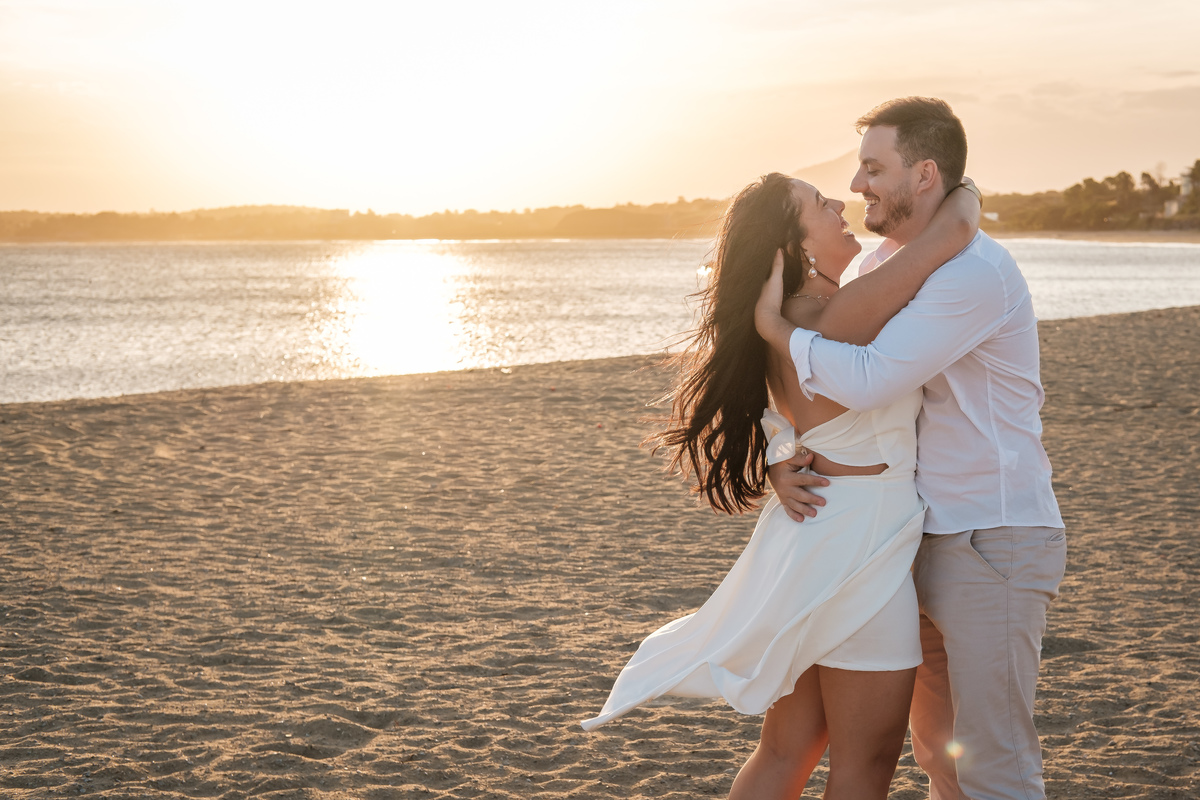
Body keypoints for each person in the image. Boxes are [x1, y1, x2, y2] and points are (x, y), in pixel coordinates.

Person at [582, 166, 982, 800]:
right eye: (821, 204)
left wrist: (778, 451)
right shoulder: (837, 315)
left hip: (819, 535)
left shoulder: (797, 319)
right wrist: (963, 196)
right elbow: (947, 239)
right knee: (866, 762)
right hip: (859, 546)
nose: (839, 204)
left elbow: (784, 409)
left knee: (787, 750)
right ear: (796, 247)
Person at [758, 97, 1066, 800]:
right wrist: (781, 446)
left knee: (994, 761)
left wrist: (775, 328)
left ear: (924, 175)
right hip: (914, 536)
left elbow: (869, 379)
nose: (858, 185)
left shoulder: (973, 274)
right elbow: (818, 385)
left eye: (874, 168)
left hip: (992, 535)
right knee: (941, 759)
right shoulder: (887, 265)